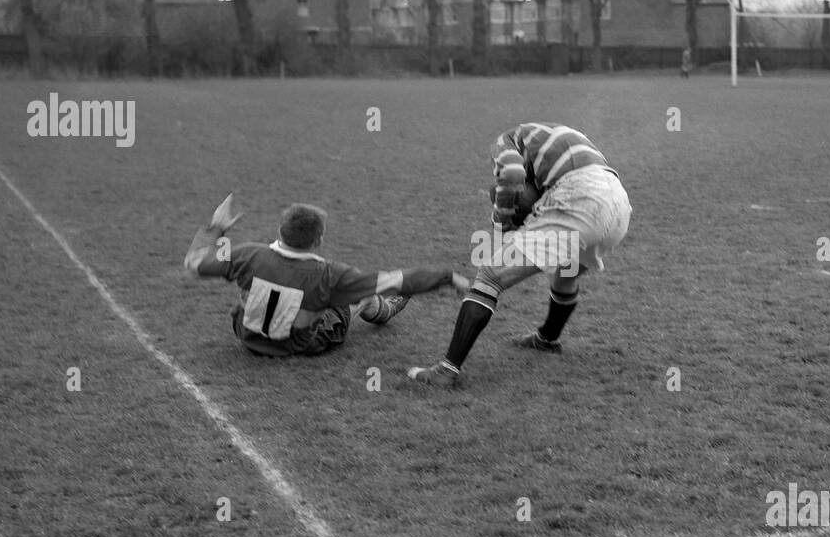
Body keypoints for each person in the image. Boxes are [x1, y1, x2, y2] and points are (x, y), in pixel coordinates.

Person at [406, 123, 631, 387]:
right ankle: (547, 339)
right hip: (618, 204)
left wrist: (502, 217)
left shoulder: (506, 140)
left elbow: (512, 173)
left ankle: (446, 371)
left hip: (578, 198)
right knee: (565, 276)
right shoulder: (556, 136)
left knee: (490, 276)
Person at [185, 195, 468, 357]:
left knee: (329, 294)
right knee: (360, 293)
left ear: (280, 230)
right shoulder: (330, 274)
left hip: (245, 335)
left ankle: (377, 309)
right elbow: (397, 280)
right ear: (318, 240)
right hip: (298, 345)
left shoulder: (247, 253)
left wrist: (215, 227)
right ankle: (384, 311)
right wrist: (446, 276)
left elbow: (195, 263)